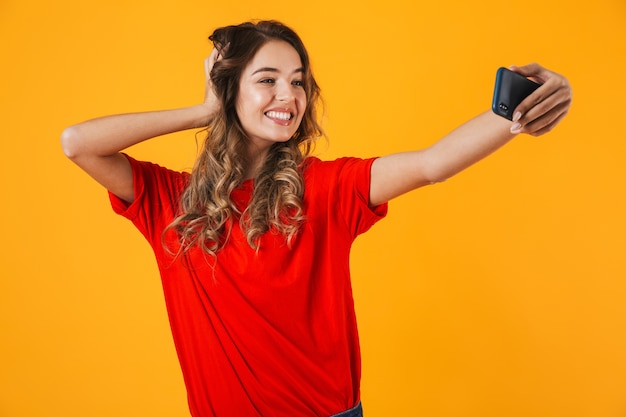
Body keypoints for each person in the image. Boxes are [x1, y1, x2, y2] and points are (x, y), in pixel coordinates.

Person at [61, 20, 572, 417]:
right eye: (267, 80)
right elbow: (77, 143)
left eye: (299, 82)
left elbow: (431, 163)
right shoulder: (174, 202)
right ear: (228, 90)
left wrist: (516, 114)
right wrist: (202, 112)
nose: (289, 95)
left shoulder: (324, 188)